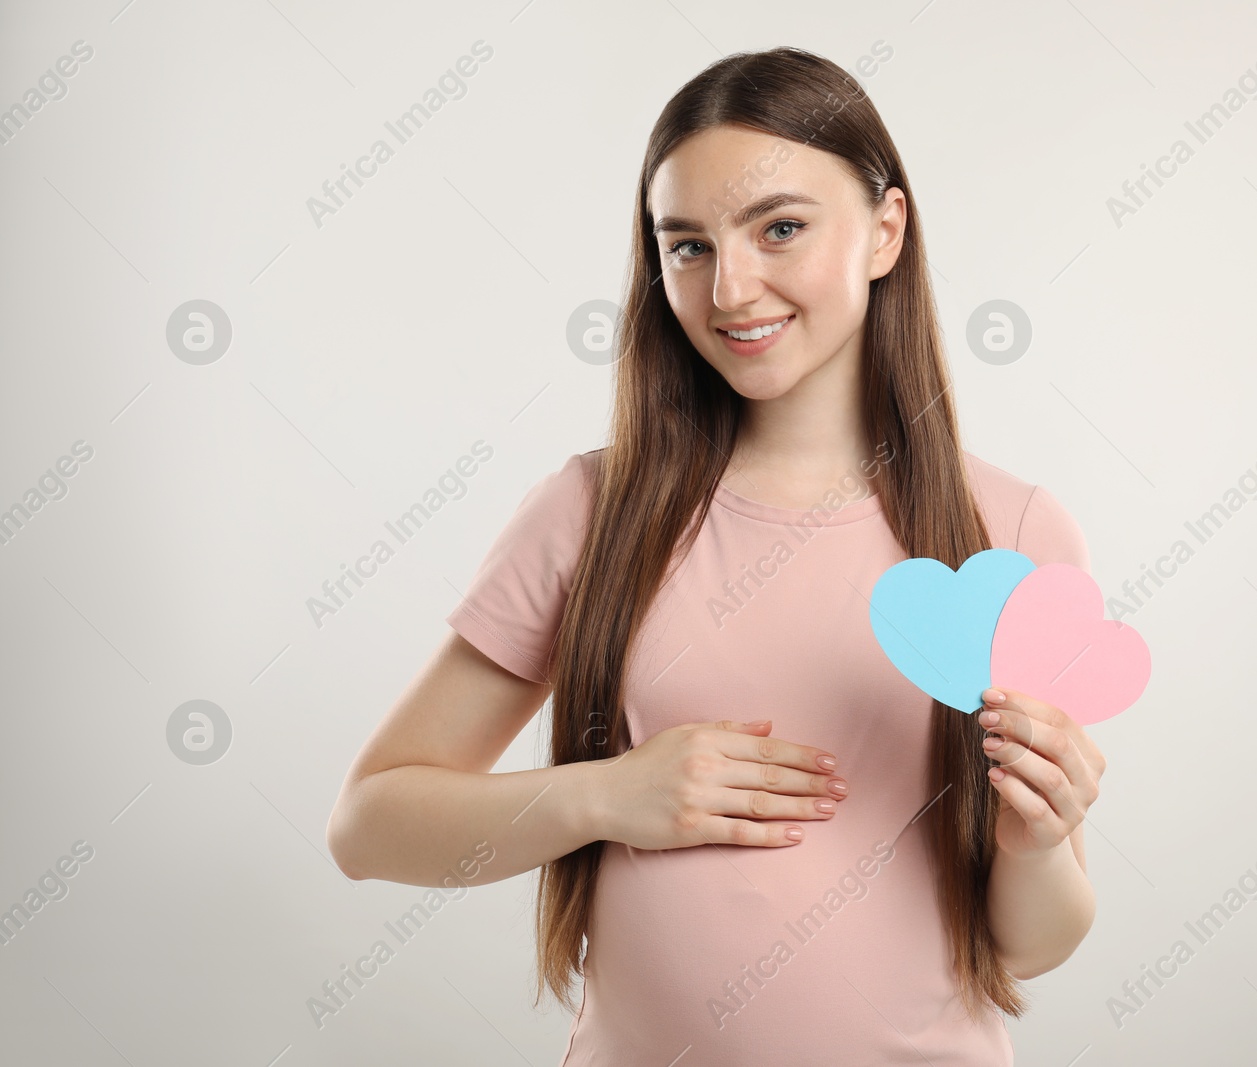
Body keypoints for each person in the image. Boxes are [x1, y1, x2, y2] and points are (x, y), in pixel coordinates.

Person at [327, 44, 1105, 1066]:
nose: (730, 288)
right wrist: (605, 794)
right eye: (685, 246)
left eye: (780, 227)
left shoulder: (1009, 531)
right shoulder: (590, 513)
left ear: (884, 229)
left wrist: (1035, 838)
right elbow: (368, 825)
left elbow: (1032, 944)